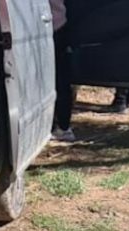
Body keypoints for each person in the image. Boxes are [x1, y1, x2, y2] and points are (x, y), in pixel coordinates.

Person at [50, 0, 77, 143]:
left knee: (59, 80)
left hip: (52, 28)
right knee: (61, 79)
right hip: (58, 25)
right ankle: (62, 125)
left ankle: (62, 125)